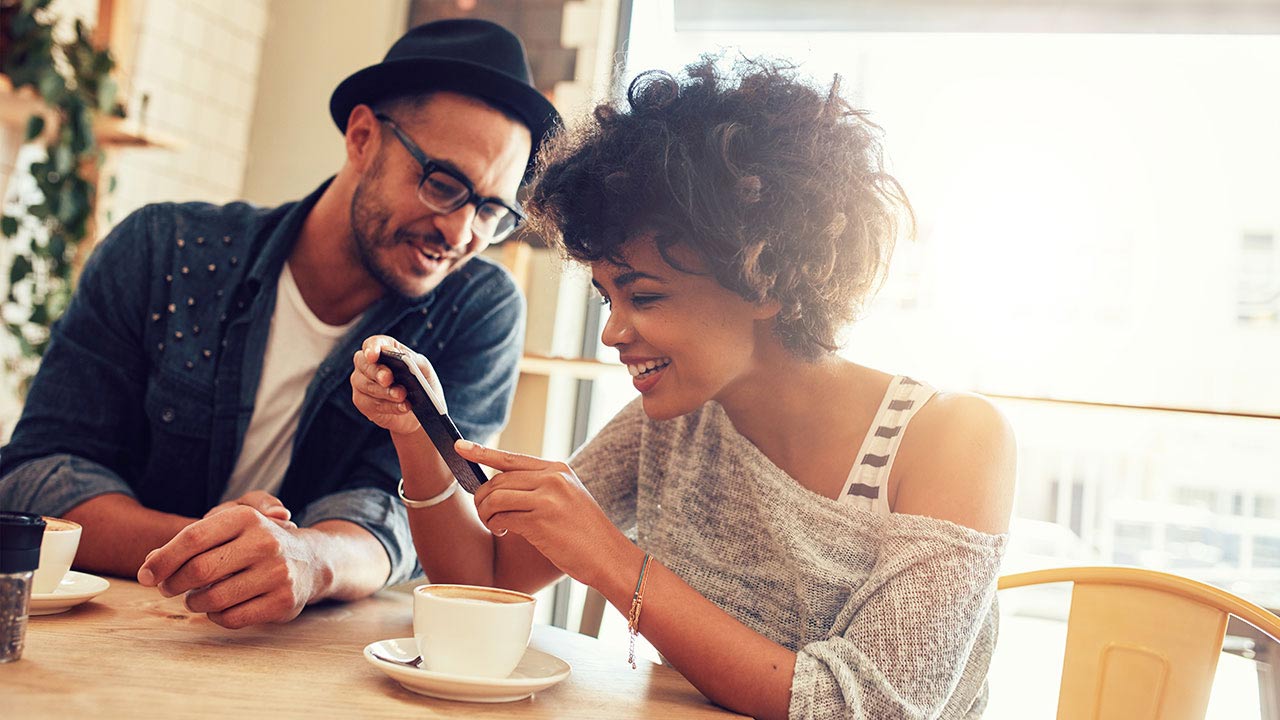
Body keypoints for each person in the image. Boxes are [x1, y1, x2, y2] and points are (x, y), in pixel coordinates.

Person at [351, 57, 1015, 719]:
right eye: (607, 297)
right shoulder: (674, 421)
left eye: (642, 295)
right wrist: (416, 433)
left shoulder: (950, 440)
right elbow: (487, 580)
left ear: (764, 276)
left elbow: (869, 708)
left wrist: (609, 557)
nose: (613, 333)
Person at [0, 18, 559, 629]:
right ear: (363, 136)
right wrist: (239, 553)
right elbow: (37, 476)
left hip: (308, 658)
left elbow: (398, 514)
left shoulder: (477, 308)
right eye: (444, 184)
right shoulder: (163, 249)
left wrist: (310, 561)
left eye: (491, 211)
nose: (460, 234)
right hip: (106, 628)